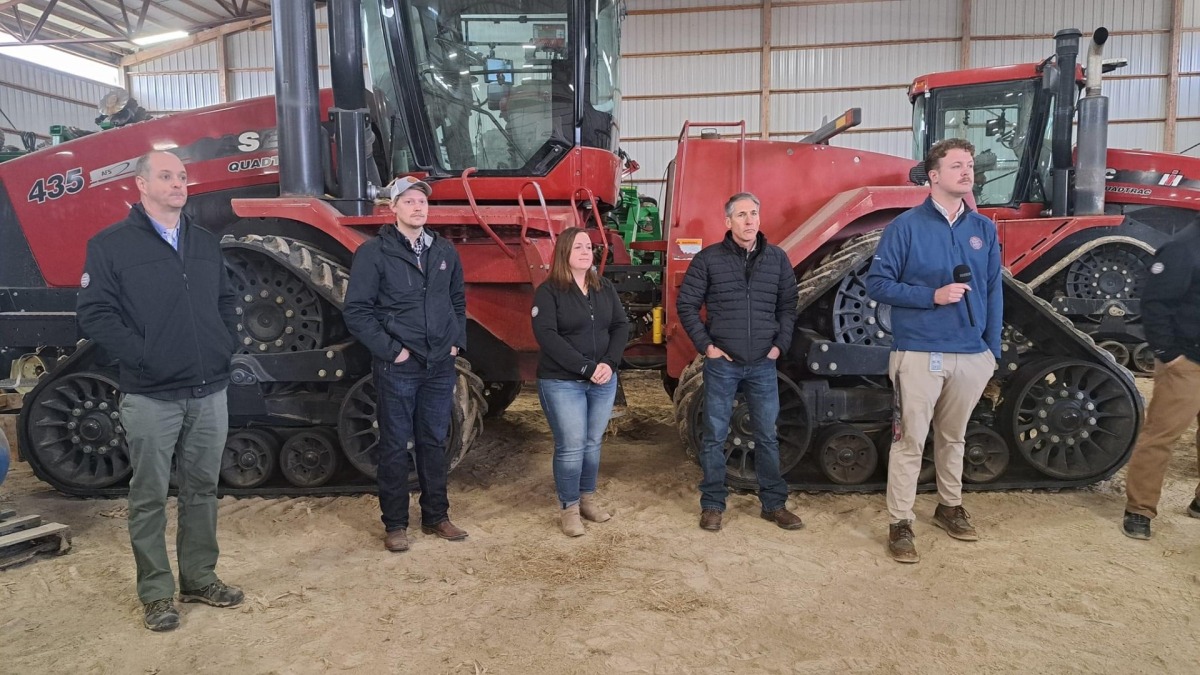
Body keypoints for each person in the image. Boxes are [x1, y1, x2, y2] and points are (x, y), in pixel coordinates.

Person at [77, 151, 244, 631]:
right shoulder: (111, 246)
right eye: (166, 176)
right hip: (151, 395)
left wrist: (223, 344)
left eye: (182, 177)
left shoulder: (205, 242)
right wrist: (145, 354)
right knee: (148, 494)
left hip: (209, 390)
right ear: (141, 185)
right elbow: (95, 314)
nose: (178, 184)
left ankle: (199, 578)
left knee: (202, 490)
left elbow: (226, 299)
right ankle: (155, 594)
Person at [865, 138, 1002, 564]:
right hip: (920, 352)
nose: (967, 171)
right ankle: (901, 522)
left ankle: (949, 506)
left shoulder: (983, 230)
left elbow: (994, 290)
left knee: (954, 437)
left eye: (970, 165)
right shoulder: (904, 227)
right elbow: (877, 284)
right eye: (957, 165)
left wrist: (990, 350)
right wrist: (932, 296)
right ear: (934, 176)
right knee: (910, 441)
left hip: (970, 354)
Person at [343, 176, 469, 553]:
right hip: (399, 366)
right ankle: (396, 524)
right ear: (393, 207)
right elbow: (358, 312)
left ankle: (436, 517)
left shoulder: (444, 251)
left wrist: (455, 343)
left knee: (433, 441)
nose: (418, 207)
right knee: (396, 445)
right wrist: (392, 351)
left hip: (438, 364)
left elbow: (458, 302)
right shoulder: (374, 253)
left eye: (423, 202)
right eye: (410, 201)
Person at [675, 192, 803, 532]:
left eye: (754, 213)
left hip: (763, 362)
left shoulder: (777, 259)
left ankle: (773, 503)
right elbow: (686, 304)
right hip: (723, 363)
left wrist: (779, 345)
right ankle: (713, 504)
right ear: (728, 221)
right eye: (742, 215)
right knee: (715, 435)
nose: (749, 220)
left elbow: (788, 305)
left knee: (767, 435)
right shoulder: (708, 260)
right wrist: (707, 347)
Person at [532, 228, 630, 537]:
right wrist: (586, 367)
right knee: (572, 445)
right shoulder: (549, 293)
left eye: (589, 247)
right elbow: (547, 336)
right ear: (564, 253)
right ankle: (569, 507)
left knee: (592, 443)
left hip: (602, 380)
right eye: (579, 247)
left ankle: (587, 498)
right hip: (563, 382)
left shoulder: (603, 288)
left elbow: (620, 325)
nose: (586, 252)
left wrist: (609, 364)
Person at [1121, 223, 1200, 539]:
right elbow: (1154, 304)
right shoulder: (1183, 247)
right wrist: (1171, 355)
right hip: (1187, 362)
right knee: (1162, 436)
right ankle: (1139, 509)